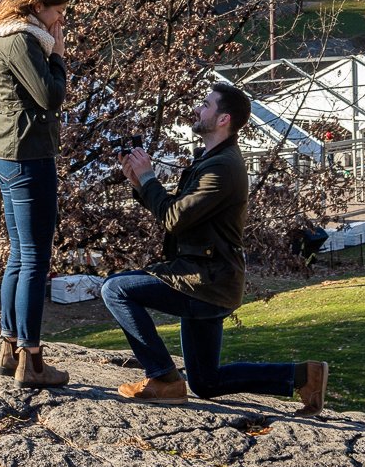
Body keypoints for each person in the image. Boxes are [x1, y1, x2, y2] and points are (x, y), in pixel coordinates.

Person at [101, 83, 329, 413]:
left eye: (205, 105)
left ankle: (163, 378)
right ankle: (302, 377)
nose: (197, 109)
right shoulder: (211, 160)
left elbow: (174, 218)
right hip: (209, 279)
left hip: (204, 280)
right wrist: (140, 185)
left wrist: (149, 178)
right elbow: (181, 213)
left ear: (223, 119)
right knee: (206, 383)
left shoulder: (222, 167)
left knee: (116, 289)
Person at [0, 0, 71, 389]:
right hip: (27, 157)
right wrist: (60, 56)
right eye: (58, 12)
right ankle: (31, 361)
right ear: (37, 7)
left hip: (6, 154)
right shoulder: (22, 40)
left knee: (19, 255)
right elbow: (49, 95)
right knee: (34, 259)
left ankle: (8, 348)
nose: (61, 20)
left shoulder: (5, 35)